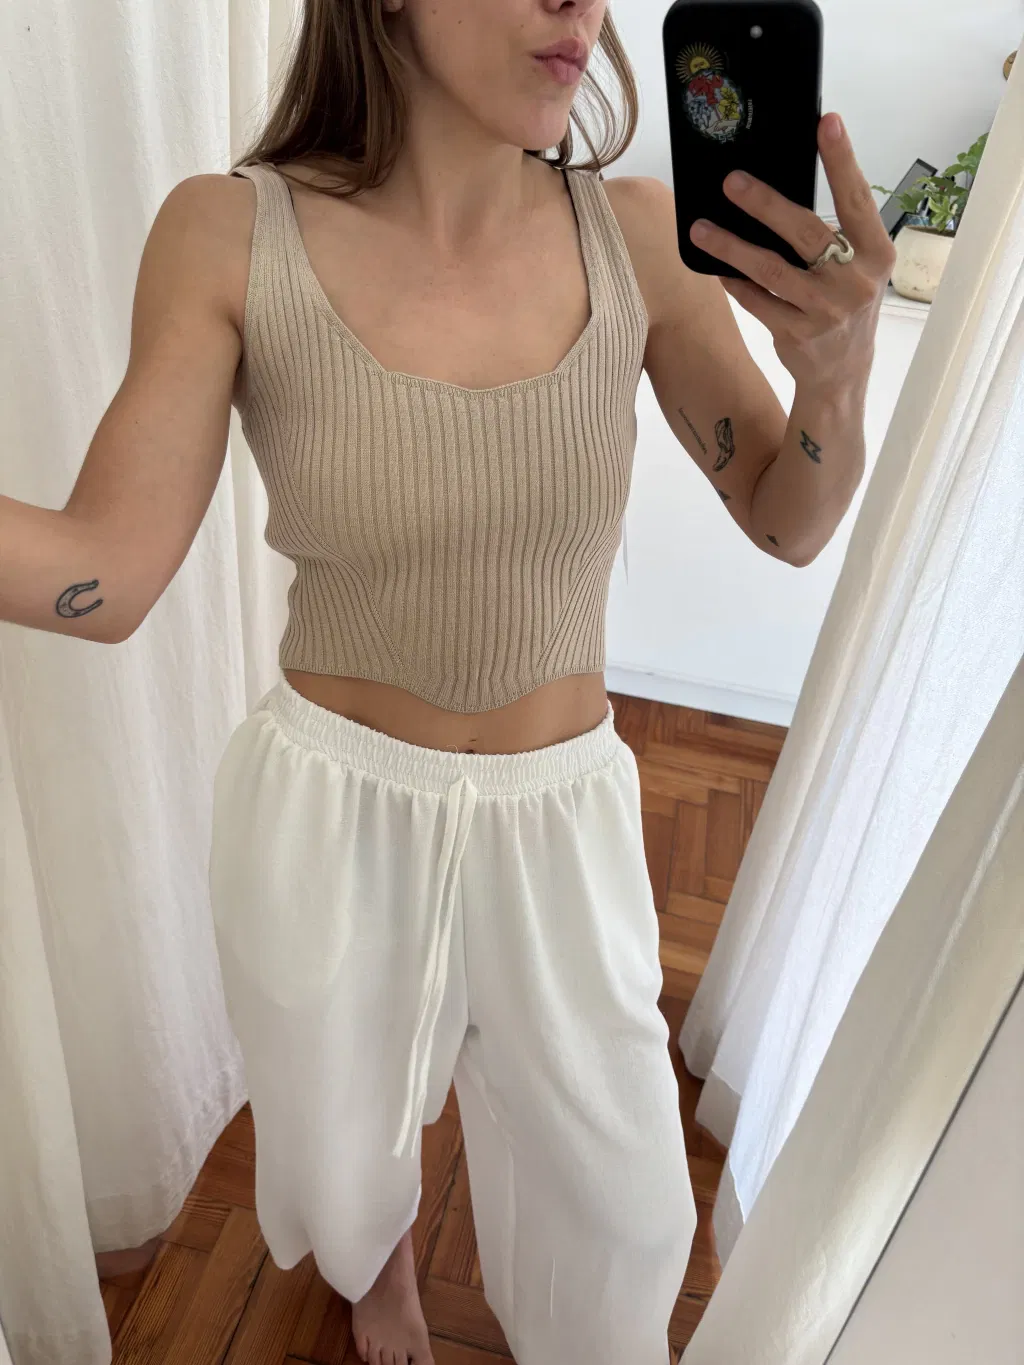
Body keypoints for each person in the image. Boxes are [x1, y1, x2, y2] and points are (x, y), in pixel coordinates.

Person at [0, 1, 897, 1361]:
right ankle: (381, 1273)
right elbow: (106, 576)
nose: (578, 3)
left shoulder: (636, 238)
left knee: (630, 1215)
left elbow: (788, 524)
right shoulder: (230, 233)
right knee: (341, 1153)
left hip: (560, 821)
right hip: (330, 817)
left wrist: (835, 379)